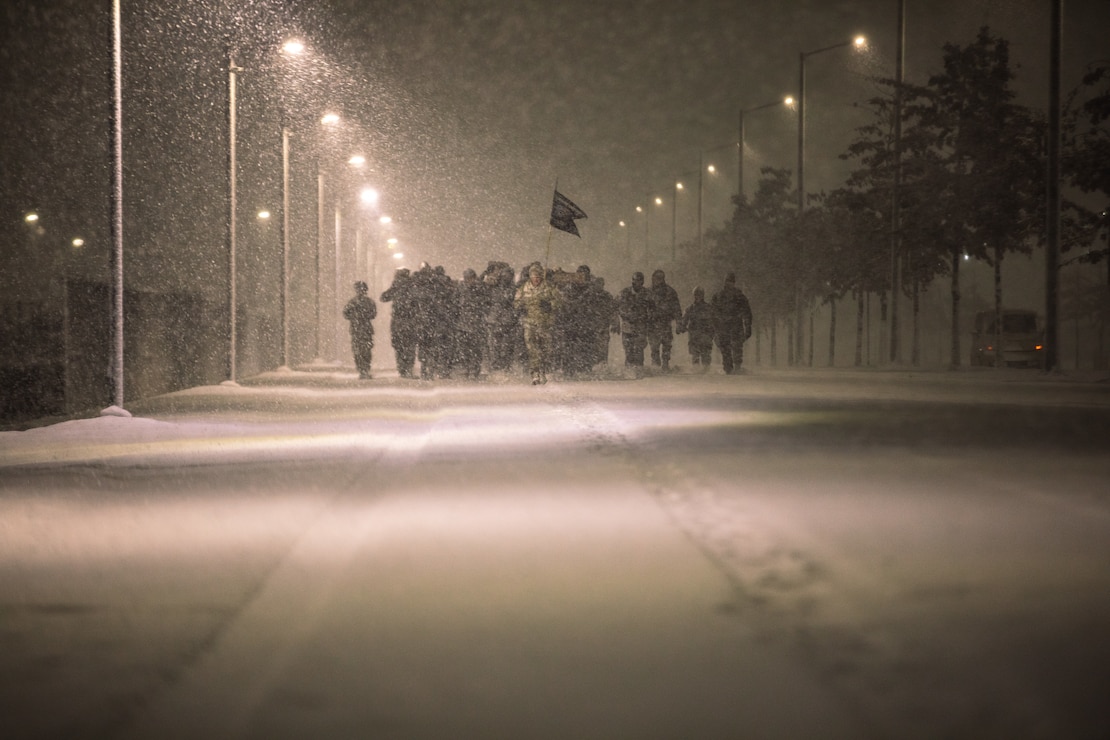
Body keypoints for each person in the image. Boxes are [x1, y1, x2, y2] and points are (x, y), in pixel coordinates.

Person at [514, 263, 562, 385]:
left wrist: (549, 305)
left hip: (545, 323)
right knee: (532, 349)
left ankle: (543, 370)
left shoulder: (549, 288)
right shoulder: (523, 288)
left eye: (538, 276)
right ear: (530, 276)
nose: (536, 279)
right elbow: (516, 303)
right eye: (534, 276)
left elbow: (559, 303)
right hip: (529, 323)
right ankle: (534, 373)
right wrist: (520, 307)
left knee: (546, 349)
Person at [711, 271, 753, 374]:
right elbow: (712, 313)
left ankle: (737, 367)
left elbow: (747, 312)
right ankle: (728, 369)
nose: (729, 283)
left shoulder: (739, 296)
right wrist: (714, 327)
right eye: (727, 281)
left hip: (735, 326)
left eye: (731, 281)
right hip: (724, 327)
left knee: (737, 348)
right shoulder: (718, 296)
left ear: (734, 283)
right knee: (726, 349)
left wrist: (748, 327)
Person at [380, 267, 418, 378]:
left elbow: (383, 297)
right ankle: (409, 369)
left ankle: (402, 368)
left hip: (398, 321)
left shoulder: (396, 285)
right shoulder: (413, 285)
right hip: (411, 320)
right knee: (410, 345)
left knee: (399, 346)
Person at [614, 271, 653, 372]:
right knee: (628, 350)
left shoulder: (647, 294)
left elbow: (653, 309)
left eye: (639, 280)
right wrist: (616, 320)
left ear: (643, 282)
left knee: (639, 350)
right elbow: (614, 306)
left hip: (641, 325)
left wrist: (649, 323)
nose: (636, 282)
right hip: (627, 324)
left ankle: (639, 371)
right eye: (634, 280)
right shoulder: (624, 293)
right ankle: (629, 371)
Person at [456, 268, 491, 379]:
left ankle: (474, 370)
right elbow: (455, 303)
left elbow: (487, 303)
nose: (469, 281)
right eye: (467, 278)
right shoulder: (460, 288)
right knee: (464, 349)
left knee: (476, 349)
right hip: (463, 324)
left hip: (477, 324)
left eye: (470, 278)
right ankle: (466, 368)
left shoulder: (480, 288)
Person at [646, 268, 682, 372]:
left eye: (661, 278)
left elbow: (676, 308)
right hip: (652, 324)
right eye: (657, 278)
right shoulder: (648, 292)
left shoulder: (670, 292)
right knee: (654, 347)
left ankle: (665, 364)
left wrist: (679, 322)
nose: (659, 280)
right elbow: (643, 308)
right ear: (653, 278)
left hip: (665, 323)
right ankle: (656, 365)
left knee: (667, 345)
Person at [343, 281, 377, 380]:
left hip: (356, 329)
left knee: (358, 350)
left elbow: (345, 314)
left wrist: (354, 317)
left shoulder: (352, 302)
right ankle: (365, 369)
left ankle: (362, 369)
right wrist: (364, 317)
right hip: (366, 329)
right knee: (366, 350)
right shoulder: (369, 302)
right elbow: (373, 314)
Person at [677, 286, 714, 371]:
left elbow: (714, 321)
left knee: (706, 356)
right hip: (695, 336)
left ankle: (706, 371)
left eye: (699, 295)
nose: (697, 297)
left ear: (702, 295)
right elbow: (684, 320)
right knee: (695, 356)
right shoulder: (690, 308)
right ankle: (697, 371)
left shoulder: (708, 308)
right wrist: (681, 327)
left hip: (705, 335)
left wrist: (712, 332)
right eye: (696, 295)